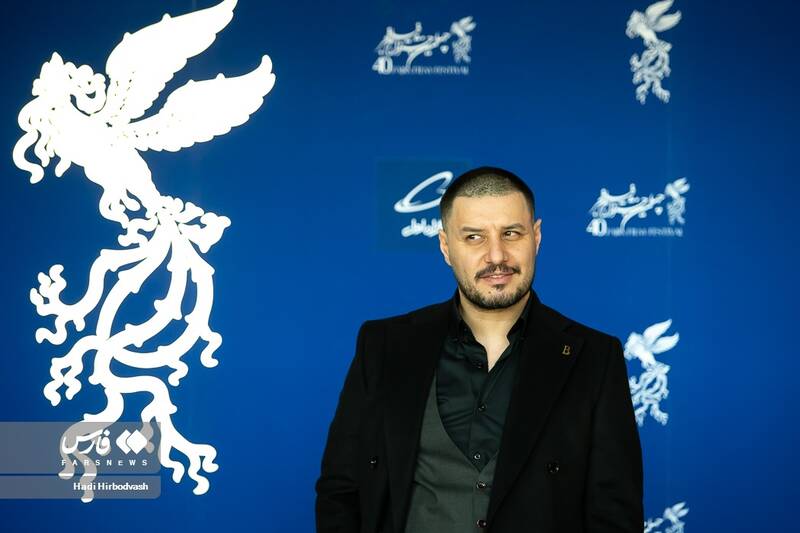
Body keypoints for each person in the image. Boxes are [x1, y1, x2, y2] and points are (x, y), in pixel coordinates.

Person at [315, 167, 643, 533]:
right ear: (445, 247)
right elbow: (341, 489)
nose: (496, 255)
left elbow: (615, 513)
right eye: (474, 237)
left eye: (511, 233)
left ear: (536, 237)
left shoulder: (595, 357)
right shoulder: (384, 345)